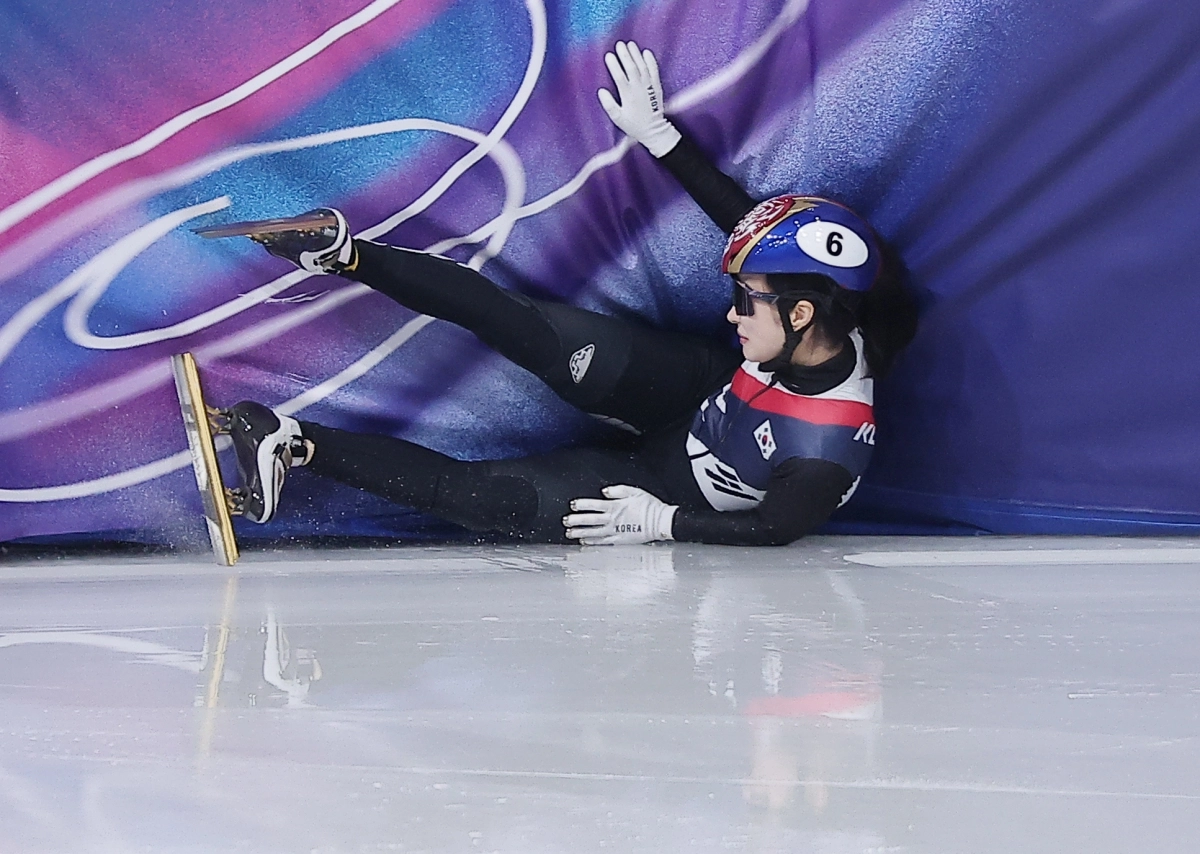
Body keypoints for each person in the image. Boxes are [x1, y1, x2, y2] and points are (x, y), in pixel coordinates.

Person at [217, 41, 917, 546]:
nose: (731, 311)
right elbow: (747, 227)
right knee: (519, 324)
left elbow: (775, 528)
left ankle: (292, 441)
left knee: (484, 499)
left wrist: (663, 523)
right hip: (698, 394)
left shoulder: (827, 445)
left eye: (747, 302)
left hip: (664, 489)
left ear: (800, 315)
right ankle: (342, 252)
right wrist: (663, 138)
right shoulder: (823, 305)